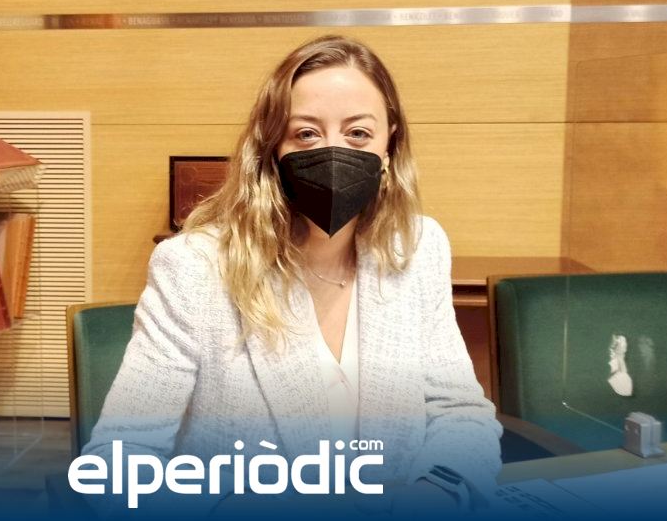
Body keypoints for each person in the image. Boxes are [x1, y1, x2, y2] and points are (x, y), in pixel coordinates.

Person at [80, 35, 502, 516]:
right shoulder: (196, 267)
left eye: (358, 133)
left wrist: (434, 495)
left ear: (389, 148)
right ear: (272, 150)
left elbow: (460, 413)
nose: (333, 151)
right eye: (306, 134)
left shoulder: (417, 248)